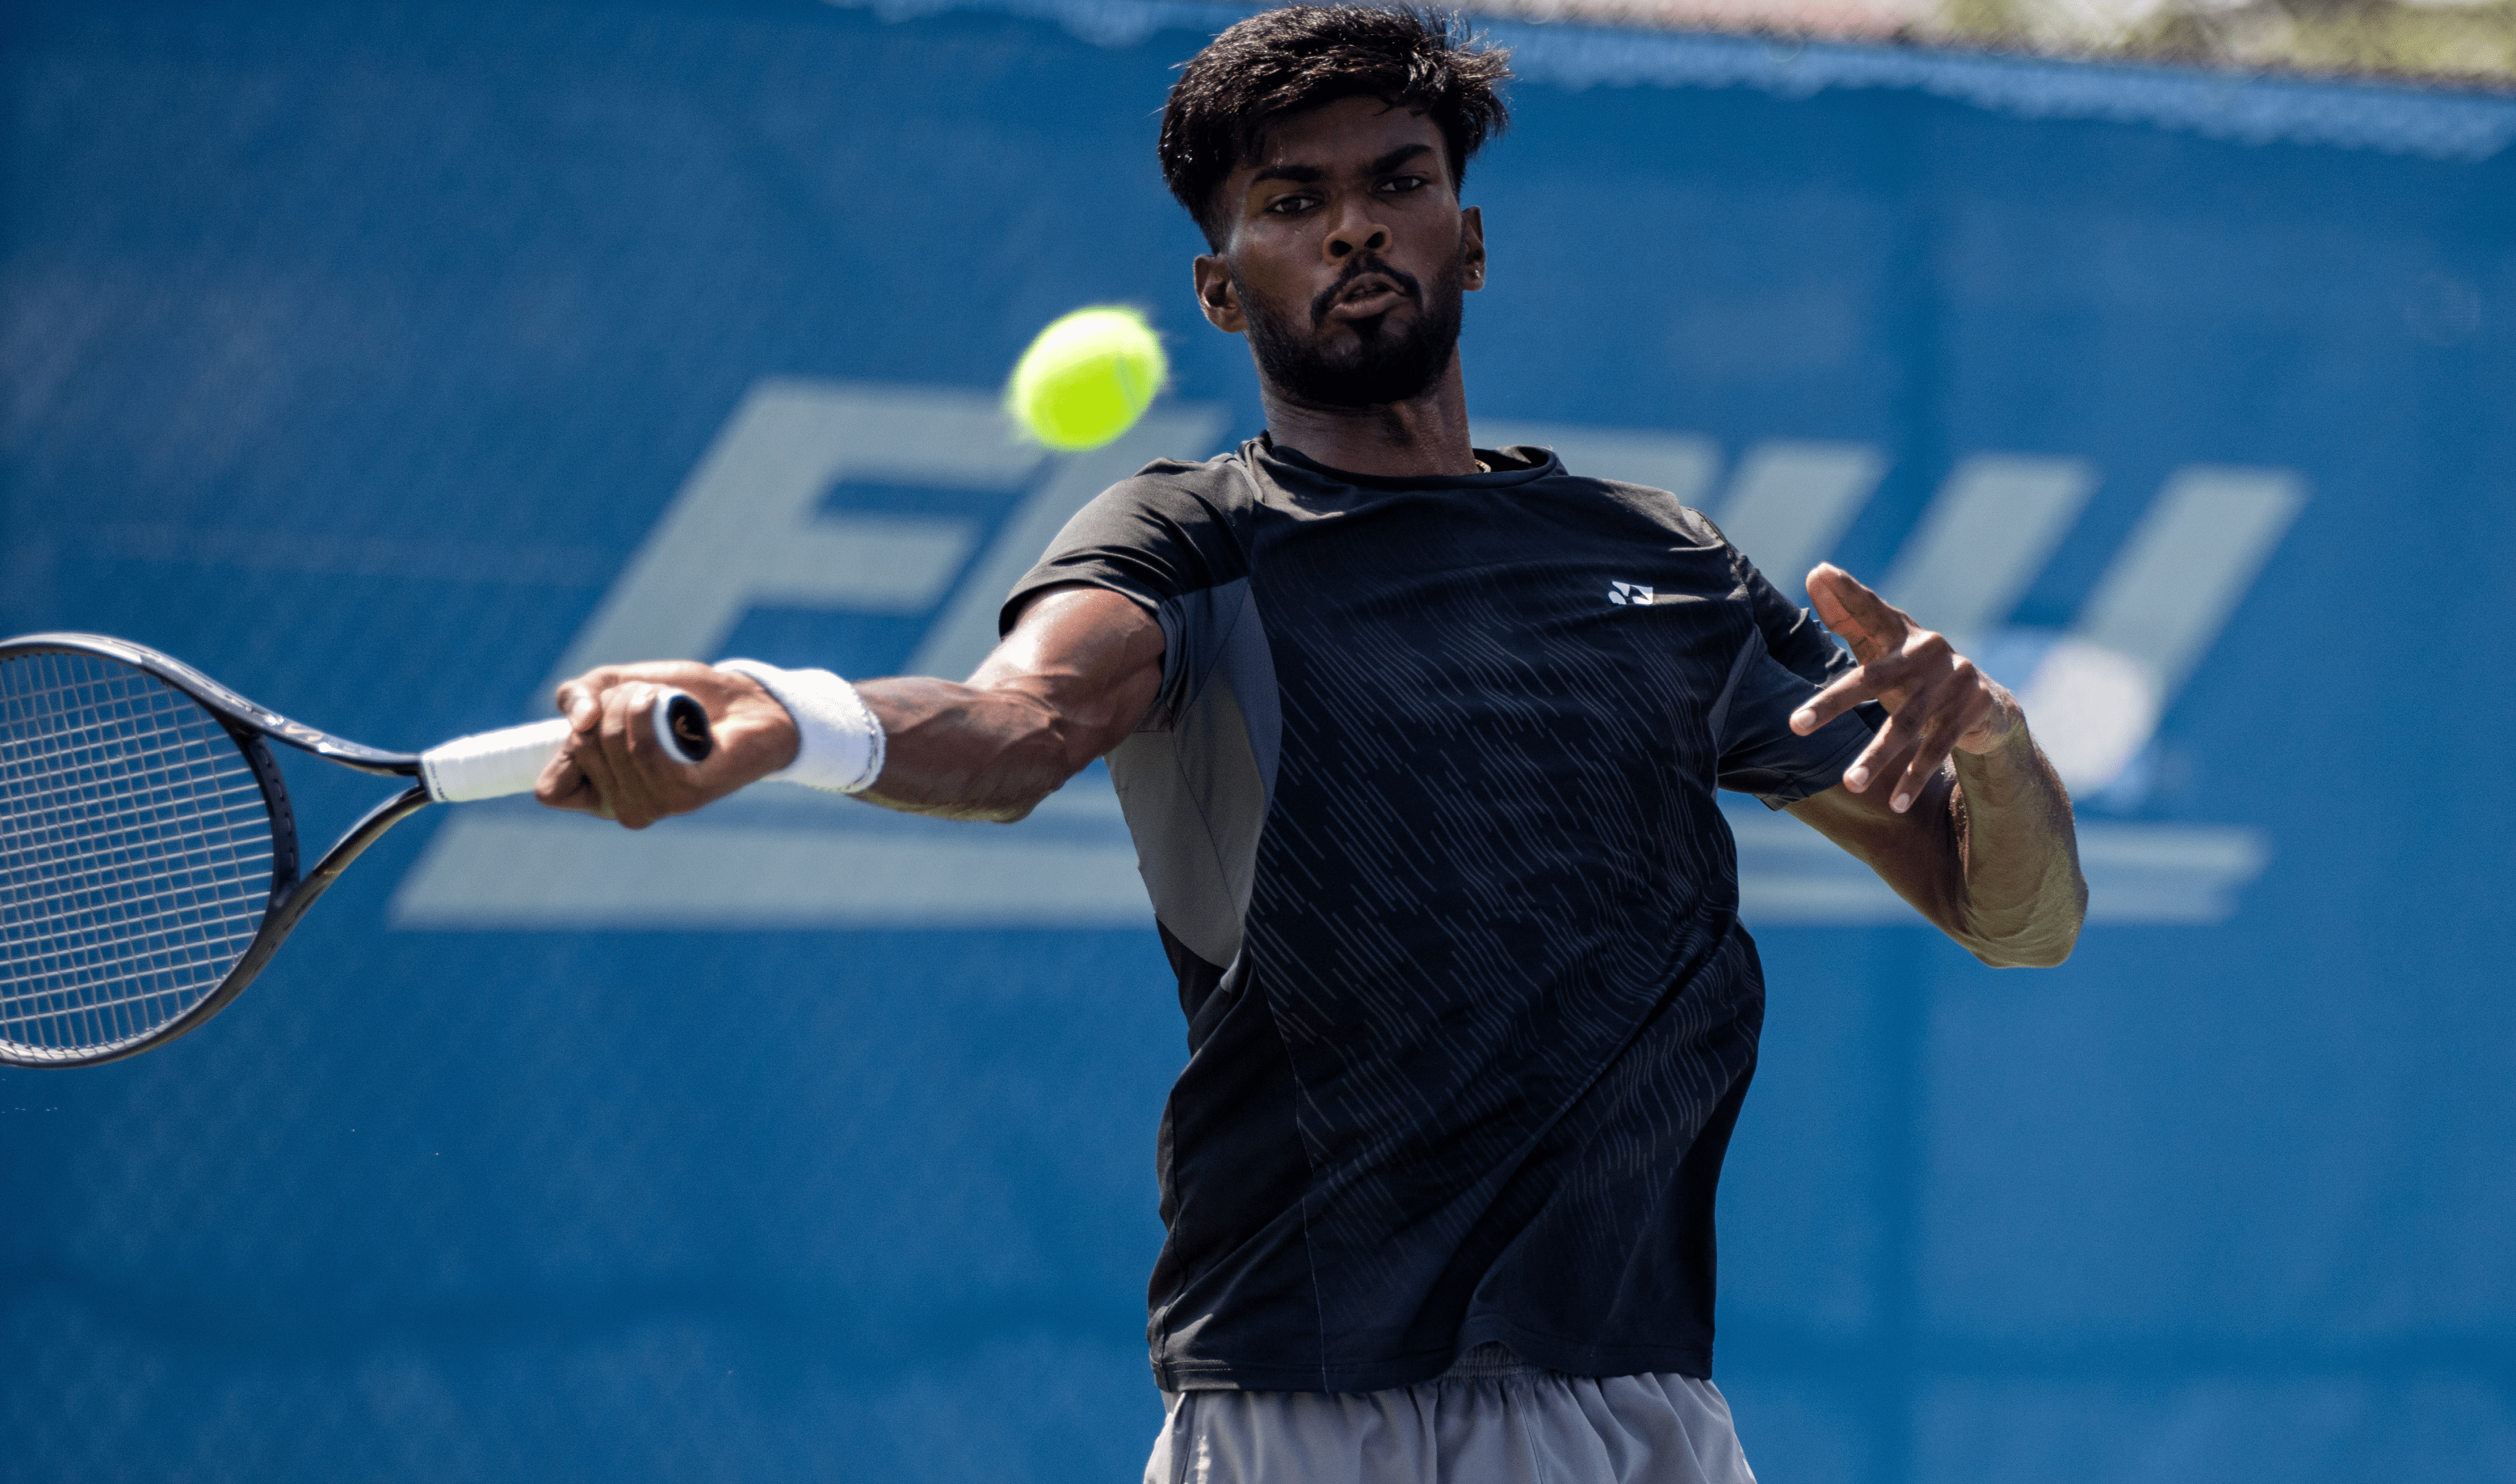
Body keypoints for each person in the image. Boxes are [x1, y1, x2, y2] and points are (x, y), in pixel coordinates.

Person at [536, 7, 2086, 1479]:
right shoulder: (1191, 537)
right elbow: (1019, 726)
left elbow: (2012, 918)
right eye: (1292, 201)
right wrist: (787, 712)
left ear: (1465, 243)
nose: (1354, 228)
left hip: (1639, 1404)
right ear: (1223, 288)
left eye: (1397, 185)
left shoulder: (1663, 556)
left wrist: (2000, 754)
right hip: (1312, 1405)